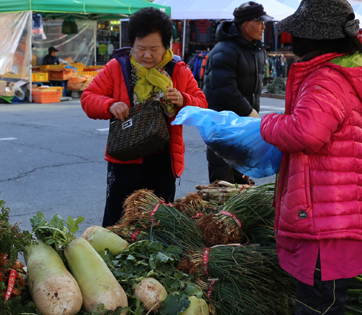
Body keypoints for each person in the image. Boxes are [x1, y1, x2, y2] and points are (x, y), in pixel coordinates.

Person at [260, 0, 362, 315]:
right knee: (326, 313)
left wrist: (266, 124)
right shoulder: (344, 72)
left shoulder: (326, 80)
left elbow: (305, 132)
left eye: (297, 32)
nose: (292, 38)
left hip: (325, 224)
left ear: (314, 37)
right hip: (336, 218)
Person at [81, 7, 207, 227]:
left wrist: (183, 99)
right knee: (117, 222)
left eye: (154, 49)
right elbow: (88, 98)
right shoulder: (117, 68)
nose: (147, 55)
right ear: (132, 44)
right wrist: (109, 105)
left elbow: (202, 104)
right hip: (125, 159)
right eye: (141, 49)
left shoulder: (178, 70)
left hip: (163, 160)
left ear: (166, 46)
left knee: (158, 225)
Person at [203, 1, 273, 184]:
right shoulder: (224, 51)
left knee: (242, 176)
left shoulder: (256, 48)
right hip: (223, 126)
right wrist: (249, 111)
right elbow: (224, 90)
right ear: (245, 24)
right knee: (223, 179)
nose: (263, 27)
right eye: (259, 22)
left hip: (244, 125)